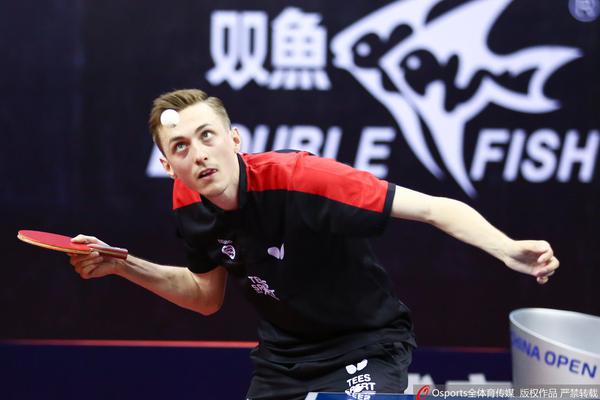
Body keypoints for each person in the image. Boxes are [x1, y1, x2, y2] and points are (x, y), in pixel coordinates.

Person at [69, 89, 559, 399]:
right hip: (283, 360)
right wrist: (122, 265)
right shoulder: (188, 202)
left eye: (207, 136)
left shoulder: (303, 179)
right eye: (181, 147)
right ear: (167, 165)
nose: (198, 154)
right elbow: (204, 296)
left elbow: (433, 208)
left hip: (365, 343)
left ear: (235, 139)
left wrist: (506, 248)